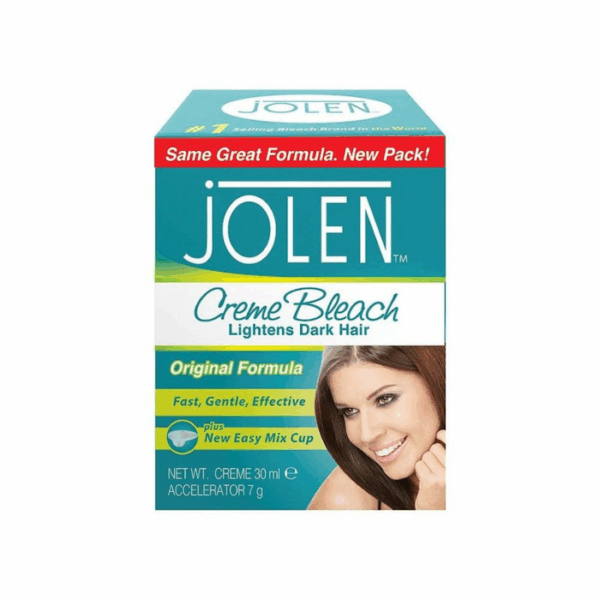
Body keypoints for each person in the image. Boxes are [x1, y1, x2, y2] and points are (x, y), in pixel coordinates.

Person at [308, 346, 446, 510]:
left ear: (437, 380)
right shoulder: (343, 501)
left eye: (385, 399)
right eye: (349, 411)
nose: (367, 435)